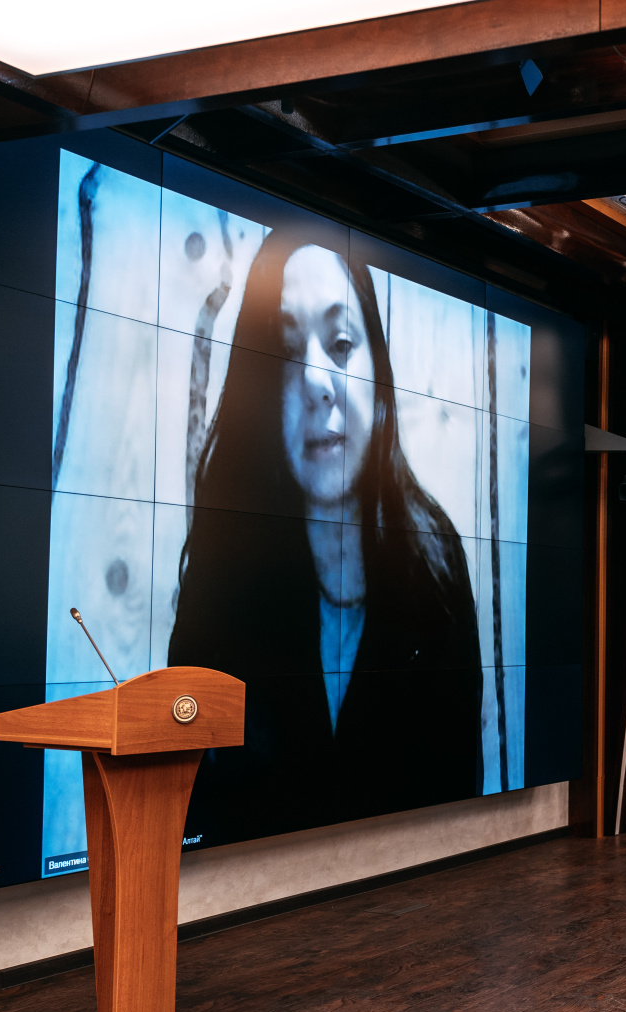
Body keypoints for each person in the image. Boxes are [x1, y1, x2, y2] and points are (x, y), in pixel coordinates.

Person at [170, 233, 483, 845]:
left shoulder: (436, 561)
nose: (316, 379)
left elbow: (457, 794)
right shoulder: (226, 562)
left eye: (340, 344)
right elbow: (191, 801)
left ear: (378, 374)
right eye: (287, 353)